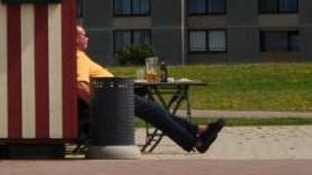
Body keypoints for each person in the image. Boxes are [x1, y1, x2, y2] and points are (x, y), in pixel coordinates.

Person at [74, 24, 224, 153]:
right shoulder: (78, 57)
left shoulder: (80, 55)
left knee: (155, 110)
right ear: (75, 38)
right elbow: (80, 85)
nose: (87, 38)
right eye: (83, 35)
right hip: (112, 98)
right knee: (155, 112)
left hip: (114, 94)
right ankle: (196, 141)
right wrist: (102, 108)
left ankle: (198, 131)